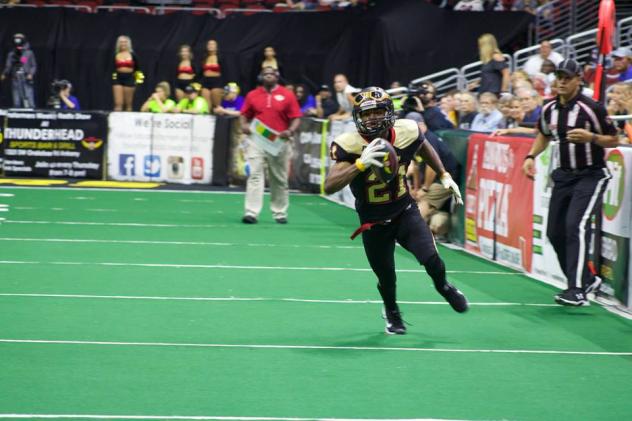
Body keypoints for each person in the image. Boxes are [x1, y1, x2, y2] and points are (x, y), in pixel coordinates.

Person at [324, 86, 468, 335]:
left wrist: (443, 174)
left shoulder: (407, 130)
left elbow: (423, 146)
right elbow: (329, 185)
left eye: (377, 112)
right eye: (365, 114)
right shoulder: (350, 143)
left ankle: (443, 286)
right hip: (373, 221)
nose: (371, 118)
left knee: (431, 259)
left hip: (404, 211)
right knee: (387, 277)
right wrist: (360, 163)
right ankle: (391, 311)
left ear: (390, 113)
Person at [522, 59, 619, 306]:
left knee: (575, 225)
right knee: (554, 231)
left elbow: (613, 139)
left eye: (567, 77)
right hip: (564, 175)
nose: (562, 82)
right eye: (559, 77)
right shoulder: (549, 108)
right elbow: (544, 134)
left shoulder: (591, 108)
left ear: (579, 80)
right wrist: (531, 156)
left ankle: (576, 290)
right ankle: (587, 279)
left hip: (591, 174)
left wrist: (592, 137)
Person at [240, 67, 302, 224]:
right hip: (257, 139)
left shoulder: (287, 95)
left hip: (278, 142)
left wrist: (290, 130)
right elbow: (244, 115)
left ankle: (279, 212)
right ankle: (251, 212)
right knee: (254, 174)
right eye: (265, 74)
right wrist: (244, 125)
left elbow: (296, 117)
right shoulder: (252, 95)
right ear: (261, 77)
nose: (268, 76)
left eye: (271, 74)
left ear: (277, 77)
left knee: (279, 178)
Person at [1, 33, 36, 108]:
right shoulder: (11, 54)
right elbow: (8, 66)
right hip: (15, 77)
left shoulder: (28, 53)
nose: (17, 40)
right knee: (16, 95)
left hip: (26, 77)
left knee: (28, 94)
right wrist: (4, 74)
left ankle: (31, 108)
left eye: (19, 38)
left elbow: (33, 65)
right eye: (16, 38)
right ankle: (16, 110)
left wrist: (31, 74)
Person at [112, 35, 141, 111]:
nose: (123, 44)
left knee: (128, 104)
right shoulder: (115, 54)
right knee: (118, 103)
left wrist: (138, 81)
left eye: (125, 42)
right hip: (118, 78)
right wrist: (113, 78)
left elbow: (138, 69)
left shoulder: (133, 55)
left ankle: (128, 121)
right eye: (121, 42)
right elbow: (111, 68)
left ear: (128, 43)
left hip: (129, 78)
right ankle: (116, 121)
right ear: (118, 44)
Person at [201, 40, 223, 110]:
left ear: (216, 47)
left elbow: (225, 70)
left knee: (216, 103)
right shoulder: (204, 58)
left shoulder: (220, 57)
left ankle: (218, 115)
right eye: (209, 44)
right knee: (206, 104)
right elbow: (200, 71)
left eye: (213, 44)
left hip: (217, 81)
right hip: (205, 81)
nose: (210, 46)